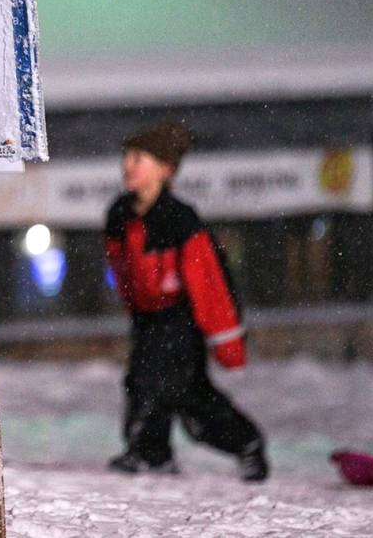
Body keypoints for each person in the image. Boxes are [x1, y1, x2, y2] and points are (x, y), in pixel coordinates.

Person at [103, 121, 269, 482]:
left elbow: (208, 284)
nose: (129, 165)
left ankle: (153, 453)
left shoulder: (180, 220)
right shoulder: (119, 215)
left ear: (166, 169)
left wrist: (225, 339)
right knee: (186, 395)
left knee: (153, 382)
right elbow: (124, 272)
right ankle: (243, 443)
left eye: (140, 158)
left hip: (180, 319)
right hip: (149, 320)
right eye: (128, 157)